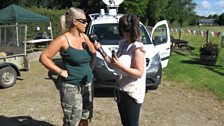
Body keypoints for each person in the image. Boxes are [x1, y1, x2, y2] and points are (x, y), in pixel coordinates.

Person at [39, 7, 96, 126]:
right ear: (75, 22)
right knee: (72, 121)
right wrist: (60, 71)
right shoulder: (63, 39)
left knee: (85, 117)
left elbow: (93, 53)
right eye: (84, 21)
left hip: (88, 84)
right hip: (71, 87)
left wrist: (92, 64)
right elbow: (44, 57)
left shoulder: (84, 37)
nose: (87, 24)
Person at [94, 14, 146, 126]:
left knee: (132, 123)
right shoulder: (123, 45)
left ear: (125, 29)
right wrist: (100, 50)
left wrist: (120, 66)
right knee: (125, 123)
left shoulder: (137, 49)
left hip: (132, 93)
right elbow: (113, 65)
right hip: (121, 90)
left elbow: (139, 73)